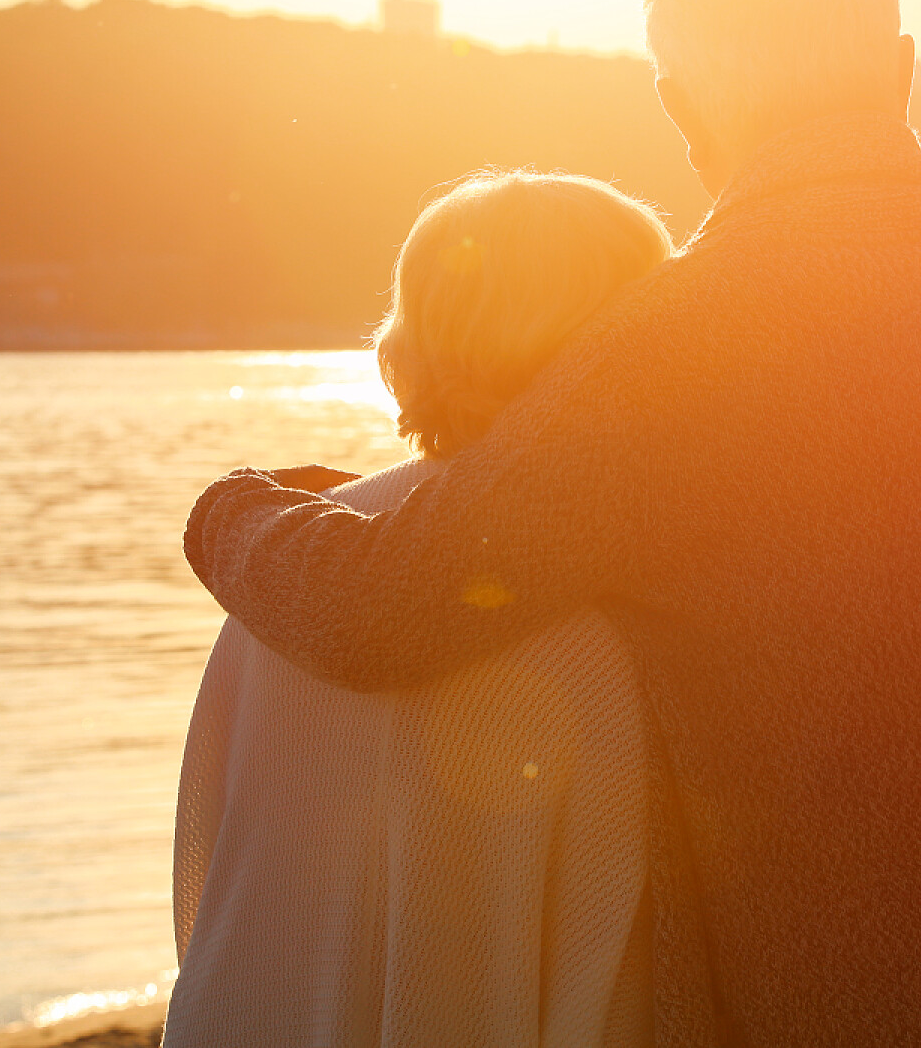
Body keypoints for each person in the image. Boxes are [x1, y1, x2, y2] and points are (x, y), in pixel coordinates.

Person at [186, 0, 921, 1046]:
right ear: (902, 68)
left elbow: (389, 606)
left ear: (680, 106)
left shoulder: (674, 345)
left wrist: (233, 510)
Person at [167, 172, 678, 1047]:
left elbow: (203, 875)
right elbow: (619, 961)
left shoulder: (280, 575)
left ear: (411, 341)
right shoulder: (626, 613)